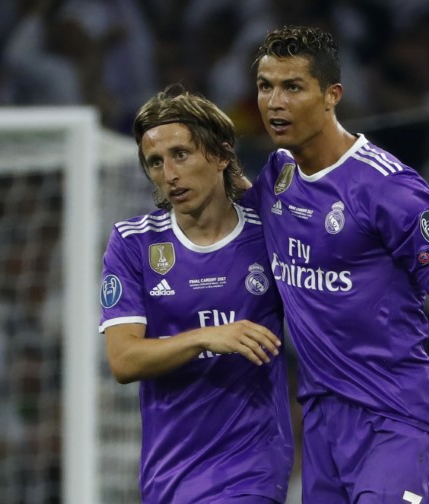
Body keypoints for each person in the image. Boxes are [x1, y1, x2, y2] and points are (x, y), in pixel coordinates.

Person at [240, 25, 429, 503]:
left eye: (293, 87)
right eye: (266, 86)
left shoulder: (390, 191)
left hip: (397, 419)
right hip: (323, 423)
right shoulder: (278, 174)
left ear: (332, 95)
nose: (274, 102)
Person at [98, 86, 294, 504]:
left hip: (253, 466)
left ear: (221, 155)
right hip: (170, 473)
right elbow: (124, 360)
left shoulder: (269, 234)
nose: (169, 174)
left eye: (181, 155)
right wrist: (207, 337)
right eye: (155, 162)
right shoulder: (133, 243)